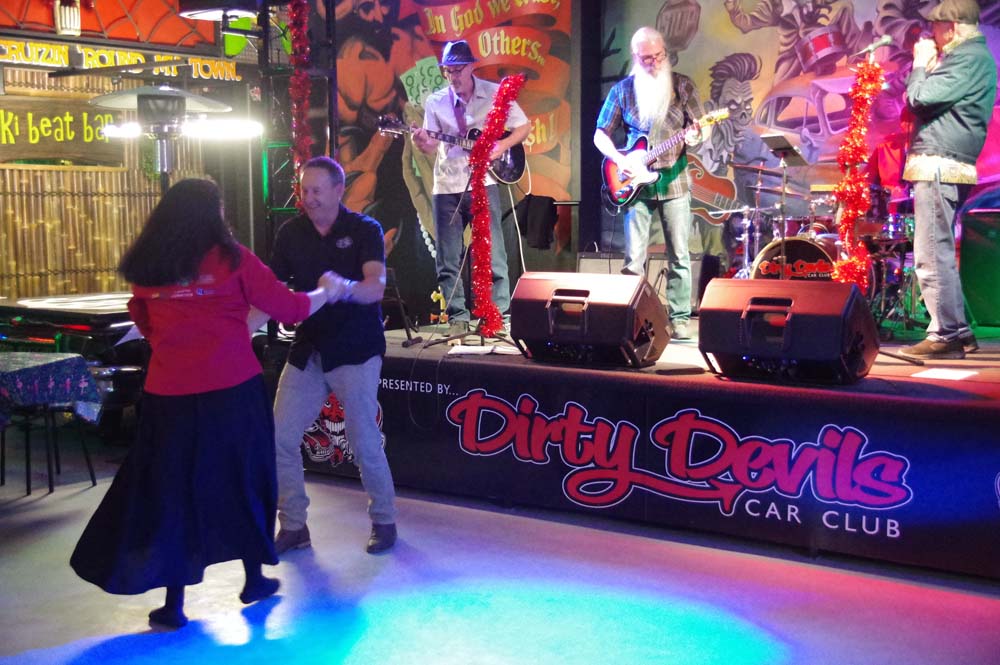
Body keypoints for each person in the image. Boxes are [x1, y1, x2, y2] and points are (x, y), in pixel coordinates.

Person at [71, 178, 338, 629]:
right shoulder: (233, 259)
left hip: (168, 398)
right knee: (244, 480)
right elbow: (291, 309)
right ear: (214, 213)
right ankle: (254, 579)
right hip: (232, 391)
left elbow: (142, 320)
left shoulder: (148, 265)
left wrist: (176, 346)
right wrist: (326, 291)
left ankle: (174, 603)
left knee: (172, 492)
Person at [270, 156, 398, 555]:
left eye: (317, 191)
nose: (308, 198)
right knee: (279, 436)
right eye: (304, 190)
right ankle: (294, 526)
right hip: (309, 348)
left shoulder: (364, 229)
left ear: (339, 190)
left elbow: (375, 287)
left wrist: (344, 287)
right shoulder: (290, 233)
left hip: (356, 349)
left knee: (363, 440)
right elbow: (273, 289)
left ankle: (384, 521)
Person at [593, 26, 710, 340]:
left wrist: (697, 134)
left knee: (680, 255)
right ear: (635, 57)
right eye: (646, 58)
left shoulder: (682, 86)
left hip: (675, 181)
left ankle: (680, 319)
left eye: (659, 56)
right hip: (635, 185)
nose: (654, 62)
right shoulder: (623, 91)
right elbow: (600, 134)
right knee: (634, 258)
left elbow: (701, 128)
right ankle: (632, 318)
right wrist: (619, 159)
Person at [411, 39, 531, 341]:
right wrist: (423, 142)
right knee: (448, 258)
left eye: (458, 70)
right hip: (447, 185)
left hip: (485, 181)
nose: (453, 76)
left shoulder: (493, 93)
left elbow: (524, 126)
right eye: (448, 71)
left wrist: (501, 146)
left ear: (471, 67)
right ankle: (458, 318)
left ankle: (498, 315)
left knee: (493, 253)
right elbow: (432, 145)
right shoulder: (436, 102)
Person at [899, 0, 996, 360]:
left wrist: (920, 65)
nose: (931, 35)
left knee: (930, 251)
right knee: (937, 248)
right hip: (945, 161)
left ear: (952, 27)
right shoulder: (970, 58)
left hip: (939, 162)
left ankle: (945, 334)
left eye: (936, 28)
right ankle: (959, 330)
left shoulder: (967, 58)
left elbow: (919, 97)